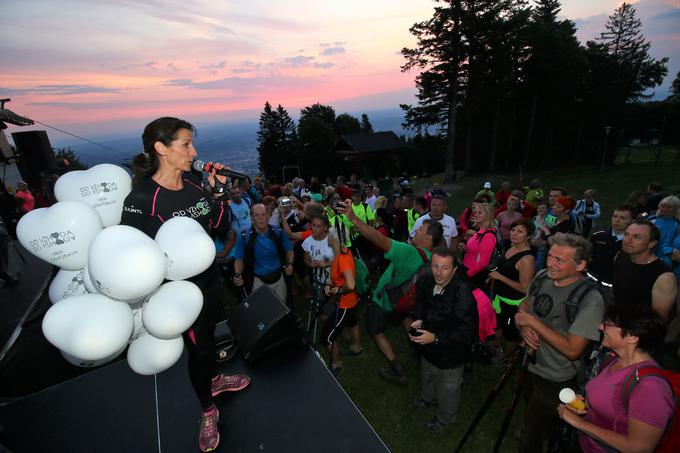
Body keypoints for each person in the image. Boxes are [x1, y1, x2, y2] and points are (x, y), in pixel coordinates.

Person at [121, 117, 250, 452]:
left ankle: (215, 380)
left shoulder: (193, 183)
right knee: (200, 349)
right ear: (161, 149)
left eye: (192, 143)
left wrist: (219, 190)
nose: (193, 151)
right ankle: (208, 409)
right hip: (178, 293)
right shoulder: (143, 199)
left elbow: (219, 226)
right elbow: (130, 255)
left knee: (211, 337)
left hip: (208, 280)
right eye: (185, 144)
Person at [514, 233, 605, 452]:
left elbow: (573, 350)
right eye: (550, 256)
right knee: (532, 407)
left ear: (581, 265)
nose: (551, 263)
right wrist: (524, 325)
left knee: (533, 430)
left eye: (560, 260)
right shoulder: (543, 276)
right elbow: (526, 306)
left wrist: (532, 323)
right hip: (530, 361)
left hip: (556, 376)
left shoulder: (590, 301)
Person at [337, 199, 443, 385]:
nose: (416, 230)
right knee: (406, 319)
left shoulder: (409, 252)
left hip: (385, 301)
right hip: (407, 302)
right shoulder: (433, 258)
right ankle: (418, 350)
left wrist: (354, 218)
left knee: (375, 330)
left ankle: (397, 369)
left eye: (420, 230)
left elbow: (380, 239)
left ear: (428, 239)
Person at [557, 305, 675, 453]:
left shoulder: (651, 387)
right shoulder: (613, 360)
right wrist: (584, 405)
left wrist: (579, 424)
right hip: (585, 445)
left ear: (632, 337)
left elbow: (639, 448)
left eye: (608, 324)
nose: (600, 327)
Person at [409, 248, 477, 432]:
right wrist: (419, 319)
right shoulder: (426, 281)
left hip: (451, 353)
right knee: (428, 374)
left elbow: (466, 333)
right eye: (435, 266)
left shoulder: (463, 295)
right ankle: (427, 398)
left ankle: (446, 417)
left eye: (445, 268)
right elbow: (421, 305)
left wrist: (436, 338)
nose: (438, 272)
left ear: (454, 269)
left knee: (448, 387)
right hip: (429, 346)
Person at [487, 218, 535, 358]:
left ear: (528, 236)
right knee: (499, 323)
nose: (514, 233)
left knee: (510, 334)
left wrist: (500, 277)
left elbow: (525, 288)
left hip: (512, 303)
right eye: (513, 230)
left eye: (520, 231)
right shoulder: (512, 247)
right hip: (500, 297)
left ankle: (506, 357)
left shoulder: (527, 259)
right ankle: (495, 345)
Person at [612, 220, 677, 321]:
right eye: (626, 234)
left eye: (637, 237)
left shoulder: (664, 277)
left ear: (651, 243)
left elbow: (659, 320)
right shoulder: (621, 258)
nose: (627, 240)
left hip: (636, 333)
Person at [233, 204, 294, 302]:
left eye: (263, 214)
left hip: (279, 278)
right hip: (257, 281)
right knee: (262, 311)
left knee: (281, 309)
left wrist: (290, 264)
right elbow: (239, 259)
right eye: (257, 215)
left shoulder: (278, 232)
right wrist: (237, 275)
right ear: (252, 218)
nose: (261, 218)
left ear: (268, 216)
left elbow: (289, 250)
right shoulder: (244, 236)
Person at [322, 227, 362, 378]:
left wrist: (338, 290)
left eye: (328, 235)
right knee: (352, 322)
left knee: (326, 337)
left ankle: (337, 364)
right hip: (351, 302)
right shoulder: (342, 252)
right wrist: (328, 283)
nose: (327, 237)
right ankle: (357, 348)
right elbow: (336, 270)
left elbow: (350, 285)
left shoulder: (343, 258)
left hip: (345, 303)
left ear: (333, 239)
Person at [588, 205, 636, 286]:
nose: (617, 220)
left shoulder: (634, 242)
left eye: (622, 218)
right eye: (615, 216)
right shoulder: (598, 236)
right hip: (591, 281)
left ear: (632, 221)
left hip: (617, 286)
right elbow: (589, 257)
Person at [649, 195, 680, 267]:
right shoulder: (652, 218)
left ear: (675, 209)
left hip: (660, 256)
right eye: (663, 206)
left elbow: (666, 245)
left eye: (668, 207)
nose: (665, 209)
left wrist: (671, 250)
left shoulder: (675, 225)